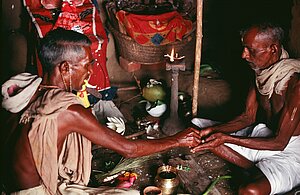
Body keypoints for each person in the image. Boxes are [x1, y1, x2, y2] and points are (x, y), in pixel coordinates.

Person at [0, 28, 201, 195]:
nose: (90, 72)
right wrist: (178, 140)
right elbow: (129, 149)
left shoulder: (28, 90)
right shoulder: (68, 110)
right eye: (87, 65)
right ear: (64, 69)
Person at [190, 23, 300, 195]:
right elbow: (247, 117)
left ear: (273, 49)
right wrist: (214, 130)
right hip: (262, 137)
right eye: (244, 49)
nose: (244, 55)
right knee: (198, 131)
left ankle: (257, 171)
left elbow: (280, 142)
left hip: (288, 152)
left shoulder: (296, 85)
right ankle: (256, 168)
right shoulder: (260, 72)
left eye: (251, 50)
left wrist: (227, 138)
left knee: (249, 191)